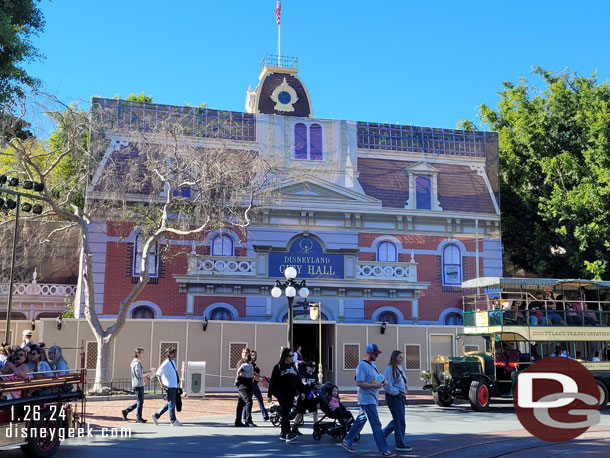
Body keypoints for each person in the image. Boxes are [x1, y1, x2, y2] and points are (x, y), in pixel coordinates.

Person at [341, 343, 395, 457]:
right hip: (367, 399)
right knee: (376, 425)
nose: (377, 356)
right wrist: (374, 386)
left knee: (360, 420)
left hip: (371, 398)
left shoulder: (372, 365)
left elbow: (376, 378)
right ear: (370, 353)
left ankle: (347, 440)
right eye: (376, 354)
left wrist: (383, 381)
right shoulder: (362, 365)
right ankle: (384, 449)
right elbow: (359, 382)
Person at [268, 347, 304, 442]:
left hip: (290, 394)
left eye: (292, 355)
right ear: (285, 356)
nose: (292, 357)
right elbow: (272, 382)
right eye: (290, 355)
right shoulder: (278, 367)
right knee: (285, 412)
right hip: (281, 394)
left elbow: (298, 381)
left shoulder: (293, 367)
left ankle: (283, 433)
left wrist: (302, 391)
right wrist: (269, 395)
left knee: (286, 413)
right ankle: (288, 433)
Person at [382, 350, 412, 452]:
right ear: (394, 357)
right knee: (400, 421)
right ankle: (400, 444)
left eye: (402, 357)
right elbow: (387, 385)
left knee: (398, 420)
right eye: (400, 357)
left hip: (400, 397)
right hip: (394, 397)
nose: (402, 359)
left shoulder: (399, 368)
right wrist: (397, 393)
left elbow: (402, 381)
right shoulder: (389, 369)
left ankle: (382, 434)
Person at [122, 347, 156, 423]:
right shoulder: (136, 363)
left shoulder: (136, 363)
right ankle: (138, 417)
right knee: (140, 401)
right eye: (142, 353)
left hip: (138, 384)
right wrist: (150, 373)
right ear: (138, 353)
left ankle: (126, 411)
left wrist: (149, 372)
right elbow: (139, 375)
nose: (143, 355)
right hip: (138, 385)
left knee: (139, 401)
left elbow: (141, 373)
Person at [152, 347, 182, 426]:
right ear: (169, 354)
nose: (175, 354)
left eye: (175, 352)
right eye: (173, 353)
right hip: (169, 386)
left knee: (171, 402)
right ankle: (173, 420)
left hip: (173, 385)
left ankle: (157, 415)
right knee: (172, 403)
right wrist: (161, 383)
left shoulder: (172, 362)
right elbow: (158, 373)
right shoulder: (166, 363)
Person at [292, 360, 319, 435]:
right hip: (303, 396)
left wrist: (316, 386)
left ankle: (316, 427)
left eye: (314, 367)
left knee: (315, 412)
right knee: (300, 413)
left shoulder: (315, 375)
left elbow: (315, 386)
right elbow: (303, 383)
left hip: (310, 395)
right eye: (311, 367)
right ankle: (294, 427)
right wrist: (307, 384)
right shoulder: (303, 375)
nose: (313, 368)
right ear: (307, 367)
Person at [248, 350, 269, 422]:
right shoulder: (250, 364)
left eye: (255, 355)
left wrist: (262, 377)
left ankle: (265, 416)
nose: (254, 356)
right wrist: (262, 380)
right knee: (248, 401)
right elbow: (253, 375)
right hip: (251, 384)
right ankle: (245, 417)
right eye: (253, 355)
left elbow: (257, 374)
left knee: (260, 399)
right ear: (250, 356)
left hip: (255, 385)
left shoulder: (254, 364)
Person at [235, 353, 255, 427]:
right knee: (249, 401)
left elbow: (253, 374)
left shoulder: (251, 365)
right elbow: (239, 373)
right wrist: (248, 375)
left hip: (248, 385)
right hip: (242, 386)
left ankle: (238, 421)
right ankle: (248, 420)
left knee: (241, 403)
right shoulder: (241, 363)